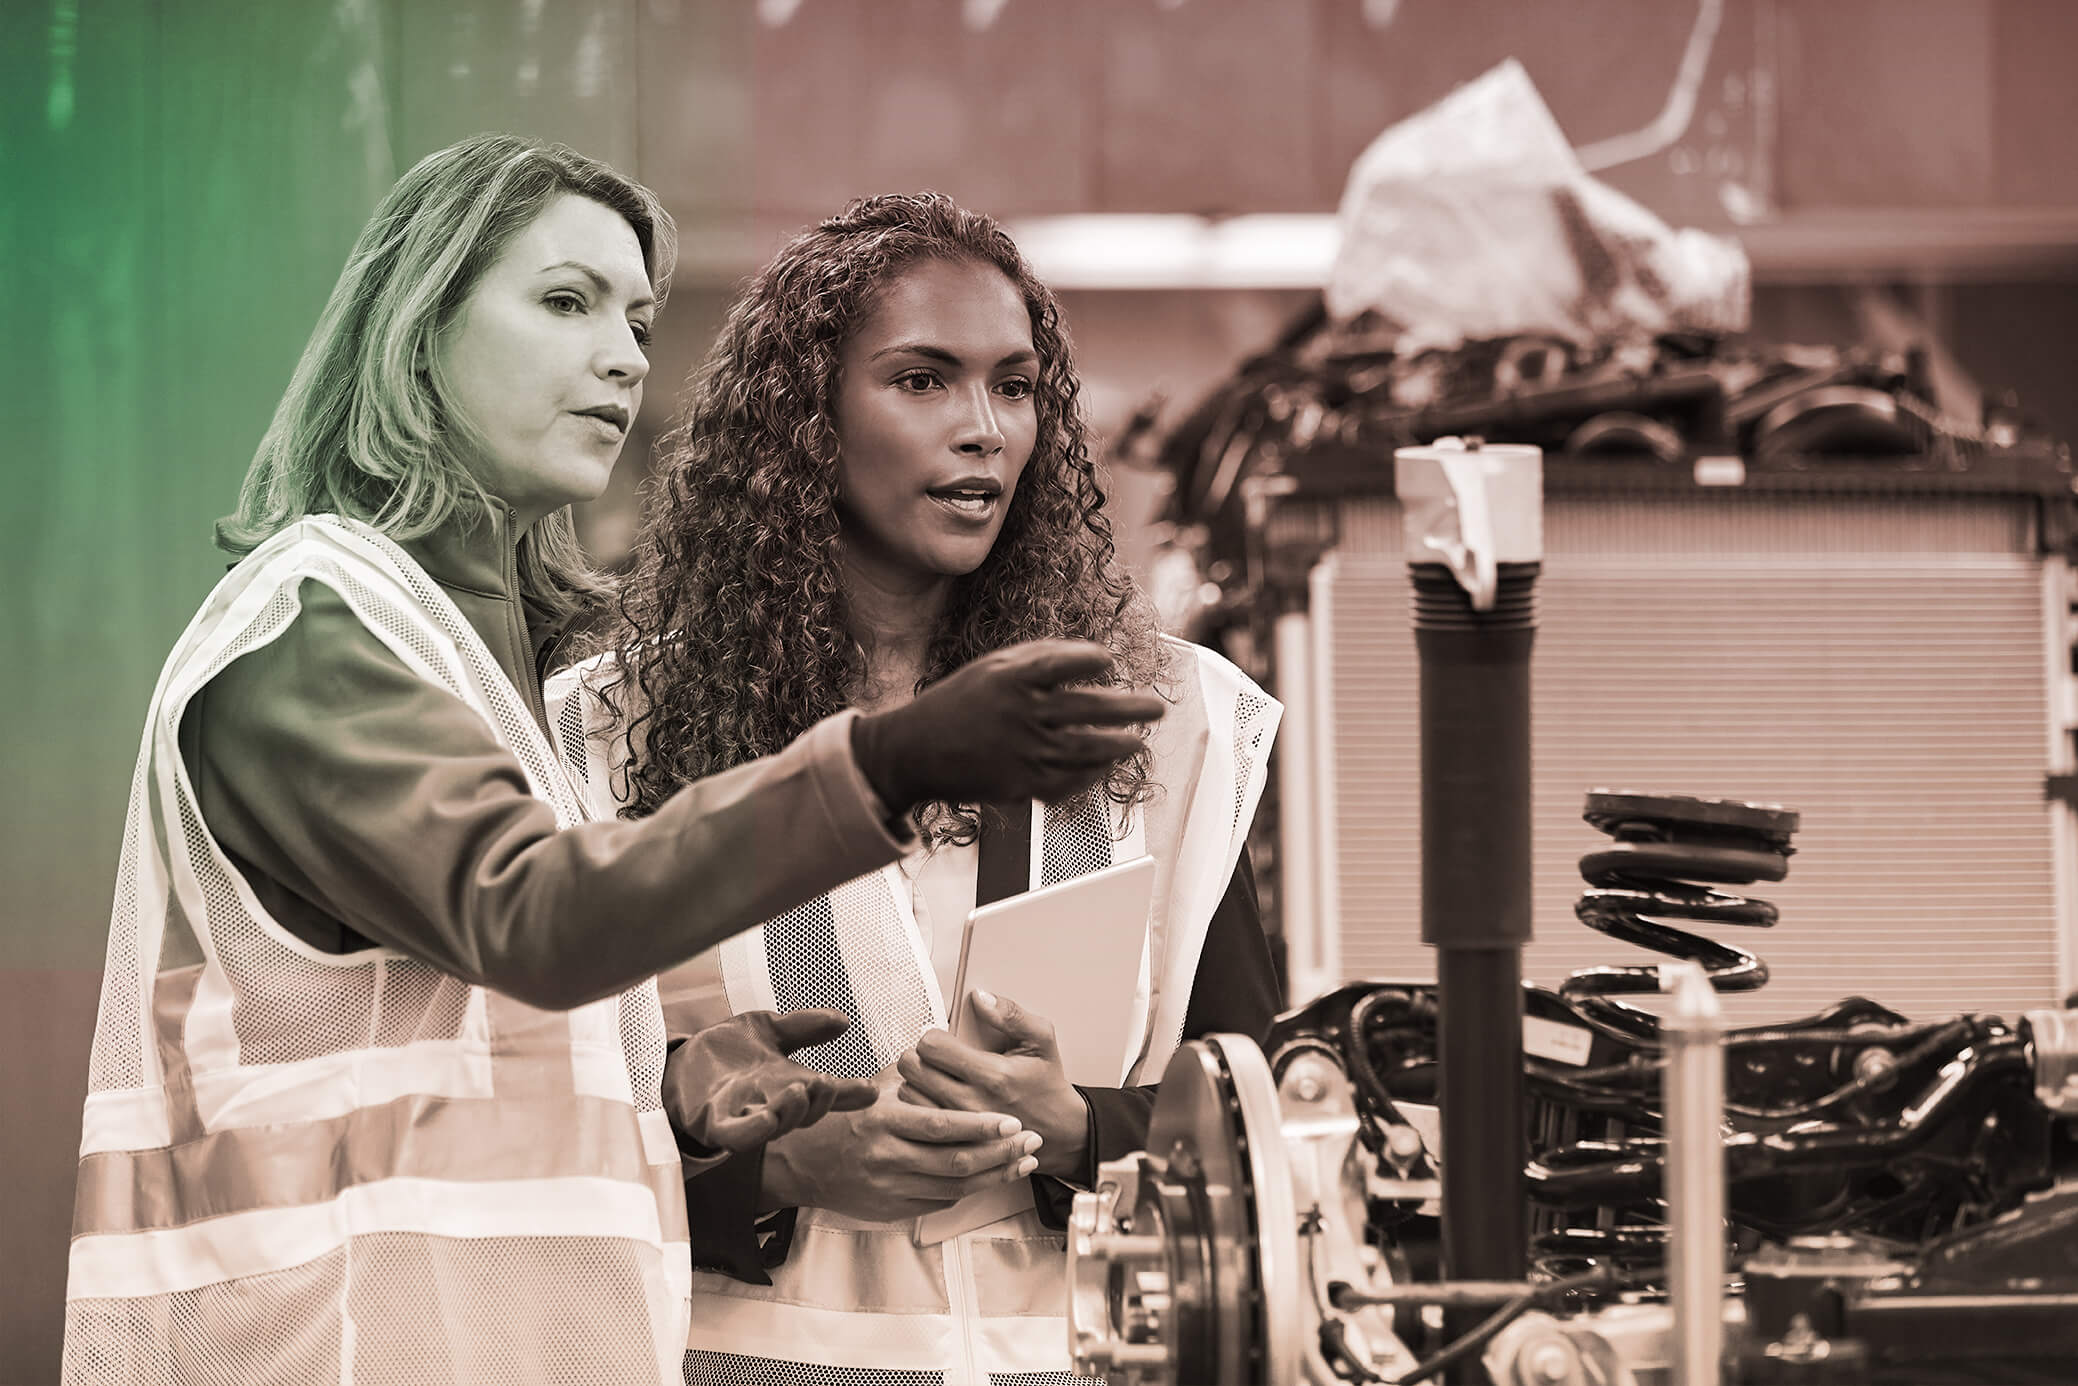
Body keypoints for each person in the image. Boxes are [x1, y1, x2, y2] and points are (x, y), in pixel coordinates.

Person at [61, 138, 1160, 1386]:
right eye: (565, 302)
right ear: (416, 334)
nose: (625, 357)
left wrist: (673, 1089)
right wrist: (890, 762)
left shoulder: (474, 664)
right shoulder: (318, 631)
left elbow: (458, 1056)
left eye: (637, 319)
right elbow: (531, 913)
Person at [551, 191, 1281, 1384]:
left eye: (1013, 385)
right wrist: (778, 1171)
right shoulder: (612, 730)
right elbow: (546, 1131)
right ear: (806, 423)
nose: (983, 428)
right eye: (921, 380)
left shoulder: (1164, 715)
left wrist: (1078, 1130)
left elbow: (1257, 1102)